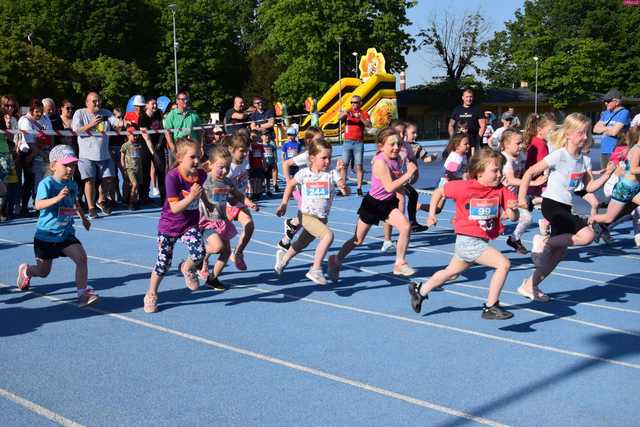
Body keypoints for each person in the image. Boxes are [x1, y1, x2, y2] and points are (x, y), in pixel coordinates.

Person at [408, 148, 518, 319]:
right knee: (503, 264)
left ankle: (420, 290)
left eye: (500, 170)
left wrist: (512, 209)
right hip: (468, 241)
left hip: (479, 242)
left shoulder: (501, 190)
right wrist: (431, 214)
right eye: (494, 170)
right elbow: (439, 192)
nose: (499, 174)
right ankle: (491, 306)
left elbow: (512, 217)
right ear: (479, 172)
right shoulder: (464, 187)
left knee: (449, 273)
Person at [518, 113, 615, 302]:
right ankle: (544, 241)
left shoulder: (584, 160)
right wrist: (522, 197)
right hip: (552, 204)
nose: (585, 137)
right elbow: (529, 172)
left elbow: (589, 187)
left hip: (566, 206)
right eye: (580, 133)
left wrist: (608, 173)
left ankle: (530, 285)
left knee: (558, 253)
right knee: (587, 236)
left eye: (587, 132)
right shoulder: (559, 155)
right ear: (568, 134)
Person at [328, 128, 417, 281]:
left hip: (388, 203)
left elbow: (399, 182)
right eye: (392, 144)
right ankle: (336, 260)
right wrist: (408, 175)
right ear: (381, 146)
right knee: (357, 240)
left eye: (399, 144)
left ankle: (399, 263)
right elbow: (389, 186)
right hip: (372, 204)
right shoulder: (380, 162)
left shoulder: (398, 159)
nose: (396, 147)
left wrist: (408, 179)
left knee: (405, 227)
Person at [16, 144, 98, 306]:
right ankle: (27, 270)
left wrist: (83, 218)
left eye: (73, 165)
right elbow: (38, 205)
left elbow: (75, 203)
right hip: (46, 235)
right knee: (43, 272)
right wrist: (57, 198)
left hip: (66, 234)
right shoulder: (47, 184)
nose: (70, 169)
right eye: (65, 165)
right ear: (54, 165)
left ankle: (82, 294)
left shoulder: (73, 185)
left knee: (81, 259)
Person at [143, 138, 207, 313]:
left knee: (199, 252)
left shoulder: (201, 175)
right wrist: (191, 197)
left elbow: (203, 195)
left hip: (189, 224)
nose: (197, 161)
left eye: (198, 156)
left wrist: (210, 208)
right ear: (179, 157)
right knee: (163, 263)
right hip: (169, 226)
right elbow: (175, 208)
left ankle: (186, 267)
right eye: (192, 157)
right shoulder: (172, 177)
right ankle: (151, 293)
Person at [275, 138, 348, 284]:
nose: (327, 161)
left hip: (321, 218)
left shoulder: (332, 174)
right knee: (328, 236)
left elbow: (345, 191)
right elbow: (290, 185)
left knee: (301, 243)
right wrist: (283, 203)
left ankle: (283, 260)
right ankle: (315, 269)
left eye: (329, 158)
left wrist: (343, 181)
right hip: (306, 216)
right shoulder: (304, 174)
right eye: (324, 158)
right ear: (312, 158)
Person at [198, 145, 257, 290]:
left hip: (222, 221)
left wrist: (248, 202)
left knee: (226, 252)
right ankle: (196, 256)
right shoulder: (204, 179)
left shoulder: (227, 182)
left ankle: (213, 278)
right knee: (217, 247)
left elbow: (235, 195)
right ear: (210, 165)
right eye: (221, 167)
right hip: (207, 221)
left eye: (227, 168)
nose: (224, 171)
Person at [72, 91, 118, 218]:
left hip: (104, 153)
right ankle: (91, 207)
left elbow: (116, 123)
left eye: (99, 101)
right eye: (94, 101)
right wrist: (91, 125)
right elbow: (76, 130)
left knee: (109, 178)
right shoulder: (80, 113)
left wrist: (123, 122)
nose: (98, 103)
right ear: (87, 103)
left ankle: (101, 200)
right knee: (89, 181)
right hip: (86, 154)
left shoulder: (106, 113)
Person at [277, 127, 323, 251]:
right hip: (302, 190)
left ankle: (287, 236)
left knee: (308, 217)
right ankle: (291, 227)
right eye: (318, 139)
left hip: (314, 190)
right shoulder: (307, 155)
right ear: (309, 141)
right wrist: (288, 181)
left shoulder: (322, 153)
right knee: (309, 217)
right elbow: (286, 164)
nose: (321, 141)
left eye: (322, 139)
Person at [591, 126, 640, 239]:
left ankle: (600, 226)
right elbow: (633, 169)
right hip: (625, 189)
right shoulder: (637, 149)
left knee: (619, 215)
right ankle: (585, 222)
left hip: (634, 187)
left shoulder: (633, 148)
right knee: (609, 217)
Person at [501, 129, 545, 254]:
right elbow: (511, 180)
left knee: (526, 218)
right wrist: (534, 183)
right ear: (506, 144)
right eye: (518, 143)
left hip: (513, 196)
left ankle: (514, 239)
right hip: (499, 197)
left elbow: (527, 173)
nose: (521, 146)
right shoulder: (505, 160)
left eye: (522, 143)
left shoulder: (520, 156)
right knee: (489, 223)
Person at [226, 134, 257, 271]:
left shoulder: (245, 161)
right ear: (231, 149)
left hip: (240, 202)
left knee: (249, 225)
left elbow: (244, 176)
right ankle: (201, 262)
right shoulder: (227, 167)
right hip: (225, 205)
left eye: (246, 151)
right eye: (241, 151)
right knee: (218, 242)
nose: (245, 154)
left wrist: (246, 198)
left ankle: (238, 252)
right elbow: (223, 191)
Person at [17, 99, 53, 216]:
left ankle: (41, 204)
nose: (39, 114)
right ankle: (24, 207)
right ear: (31, 110)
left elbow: (51, 135)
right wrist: (44, 155)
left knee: (43, 181)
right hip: (28, 153)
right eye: (37, 112)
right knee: (29, 181)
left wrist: (49, 153)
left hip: (43, 153)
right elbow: (31, 143)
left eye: (41, 111)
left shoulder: (45, 117)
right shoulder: (25, 120)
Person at [338, 95, 371, 196]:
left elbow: (369, 125)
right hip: (347, 142)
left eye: (356, 102)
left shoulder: (364, 113)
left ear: (360, 103)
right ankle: (343, 188)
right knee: (344, 166)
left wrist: (360, 117)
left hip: (358, 143)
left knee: (359, 166)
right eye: (352, 102)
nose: (353, 104)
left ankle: (359, 188)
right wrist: (344, 114)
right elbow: (339, 119)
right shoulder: (348, 111)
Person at [593, 89, 630, 169]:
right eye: (605, 101)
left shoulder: (624, 112)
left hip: (617, 151)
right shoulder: (605, 113)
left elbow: (614, 132)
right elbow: (595, 129)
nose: (606, 103)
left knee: (616, 178)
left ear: (617, 102)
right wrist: (609, 128)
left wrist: (603, 128)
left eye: (608, 101)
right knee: (604, 176)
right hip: (603, 150)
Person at [139, 97, 166, 203]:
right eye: (152, 104)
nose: (155, 106)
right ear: (147, 105)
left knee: (161, 171)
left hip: (158, 145)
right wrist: (153, 153)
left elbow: (163, 129)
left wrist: (159, 144)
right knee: (145, 172)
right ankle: (144, 196)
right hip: (146, 145)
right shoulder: (142, 117)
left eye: (156, 104)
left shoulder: (159, 113)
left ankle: (164, 196)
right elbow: (146, 137)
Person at [164, 91, 202, 155]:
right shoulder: (171, 115)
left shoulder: (194, 114)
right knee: (177, 165)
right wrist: (173, 148)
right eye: (183, 99)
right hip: (178, 148)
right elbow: (167, 133)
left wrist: (201, 146)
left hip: (193, 147)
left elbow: (199, 132)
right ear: (177, 101)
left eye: (187, 99)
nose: (185, 101)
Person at [448, 88, 486, 154]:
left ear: (473, 97)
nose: (469, 99)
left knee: (473, 162)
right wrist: (453, 138)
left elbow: (483, 126)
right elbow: (451, 125)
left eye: (470, 97)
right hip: (459, 143)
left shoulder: (478, 109)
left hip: (473, 143)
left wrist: (477, 139)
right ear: (463, 97)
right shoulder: (457, 110)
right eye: (467, 97)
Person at [120, 124, 145, 210]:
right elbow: (122, 157)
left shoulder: (139, 145)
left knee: (136, 186)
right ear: (128, 135)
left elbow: (140, 156)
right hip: (130, 168)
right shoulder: (125, 145)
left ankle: (135, 201)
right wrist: (123, 167)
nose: (135, 137)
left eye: (136, 135)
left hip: (139, 168)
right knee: (134, 184)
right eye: (133, 135)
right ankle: (130, 202)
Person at [261, 130, 278, 195]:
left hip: (270, 163)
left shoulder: (271, 145)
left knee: (268, 177)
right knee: (262, 177)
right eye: (265, 136)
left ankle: (268, 189)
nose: (267, 137)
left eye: (268, 135)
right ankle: (261, 188)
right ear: (262, 137)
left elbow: (274, 154)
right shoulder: (261, 146)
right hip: (263, 164)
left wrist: (275, 161)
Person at [248, 133, 265, 198]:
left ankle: (257, 192)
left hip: (259, 165)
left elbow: (263, 156)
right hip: (252, 165)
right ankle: (252, 192)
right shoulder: (250, 146)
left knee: (258, 179)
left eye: (255, 137)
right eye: (252, 137)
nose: (254, 138)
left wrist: (264, 164)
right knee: (252, 180)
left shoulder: (260, 146)